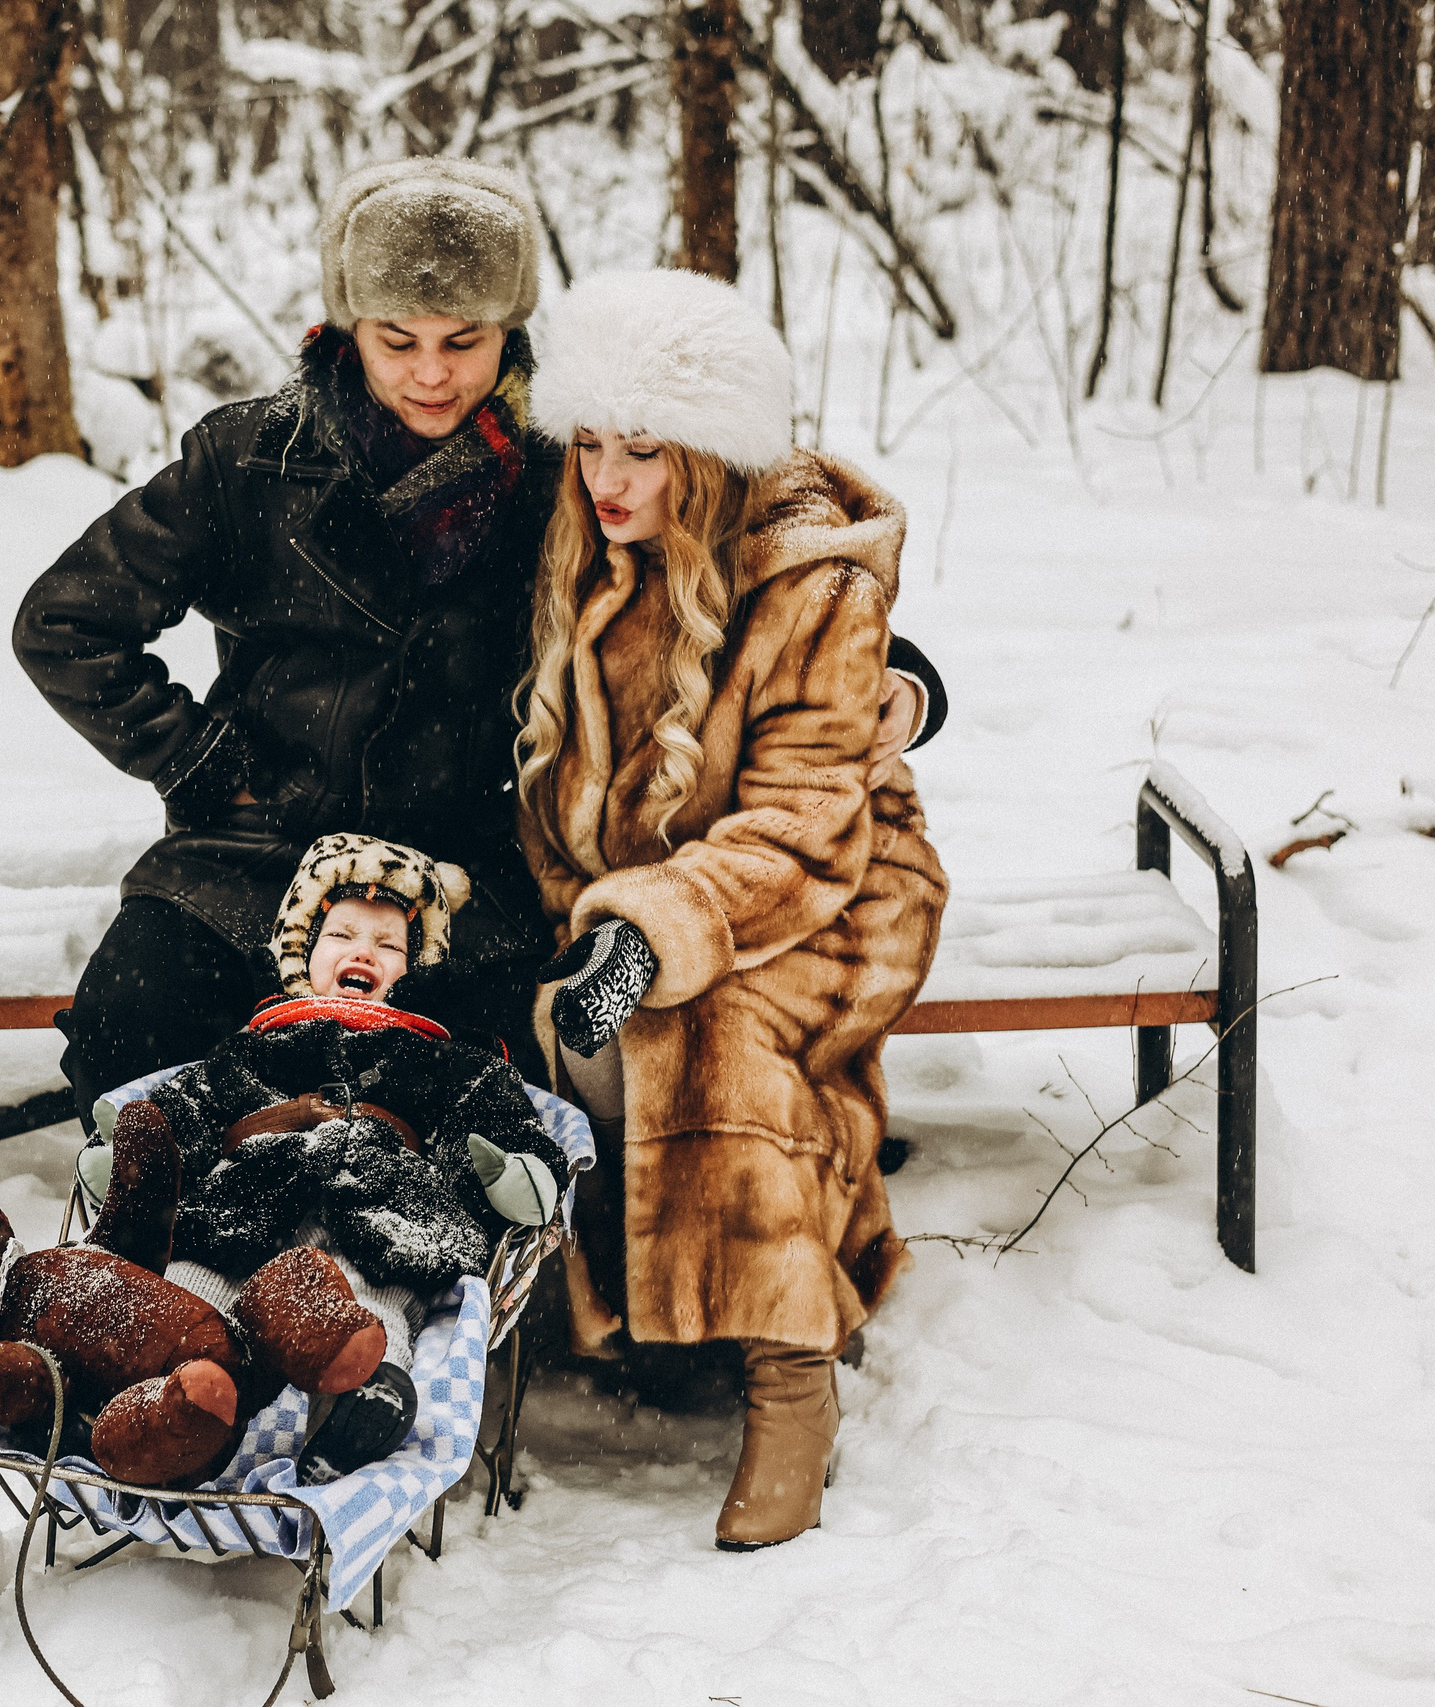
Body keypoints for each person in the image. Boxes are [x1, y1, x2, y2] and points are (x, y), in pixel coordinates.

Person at [13, 158, 950, 1122]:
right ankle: (188, 1256)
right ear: (346, 327)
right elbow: (65, 623)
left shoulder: (569, 458)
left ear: (510, 330)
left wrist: (896, 675)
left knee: (492, 1100)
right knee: (130, 1046)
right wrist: (204, 763)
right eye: (397, 339)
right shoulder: (249, 459)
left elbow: (741, 555)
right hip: (252, 854)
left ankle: (415, 1265)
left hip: (472, 865)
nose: (432, 373)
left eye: (464, 340)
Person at [514, 269, 950, 1551]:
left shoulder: (813, 583)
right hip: (651, 896)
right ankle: (653, 1311)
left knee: (704, 1036)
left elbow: (810, 821)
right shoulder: (584, 555)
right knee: (581, 1026)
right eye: (589, 443)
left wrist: (651, 932)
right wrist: (614, 919)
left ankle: (786, 1379)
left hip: (836, 887)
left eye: (645, 450)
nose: (609, 477)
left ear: (706, 452)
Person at [79, 832, 570, 1481]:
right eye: (340, 935)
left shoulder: (441, 1056)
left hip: (377, 1198)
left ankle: (367, 1397)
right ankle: (176, 1407)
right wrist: (137, 1151)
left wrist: (516, 1167)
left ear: (416, 966)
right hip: (246, 1198)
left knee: (369, 1292)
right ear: (302, 954)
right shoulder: (255, 1046)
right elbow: (191, 1104)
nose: (363, 950)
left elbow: (491, 1111)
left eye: (389, 943)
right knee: (195, 1286)